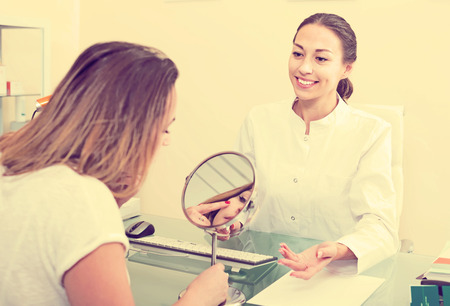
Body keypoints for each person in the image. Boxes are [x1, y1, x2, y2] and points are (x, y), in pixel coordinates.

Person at [0, 41, 228, 305]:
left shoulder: (10, 159)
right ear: (131, 130)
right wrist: (199, 298)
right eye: (165, 129)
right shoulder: (84, 202)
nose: (166, 142)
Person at [236, 13, 398, 280]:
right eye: (298, 54)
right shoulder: (259, 120)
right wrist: (227, 218)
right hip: (263, 274)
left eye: (321, 58)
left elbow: (381, 228)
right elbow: (243, 201)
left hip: (333, 278)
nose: (304, 68)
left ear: (346, 68)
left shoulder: (372, 132)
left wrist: (336, 249)